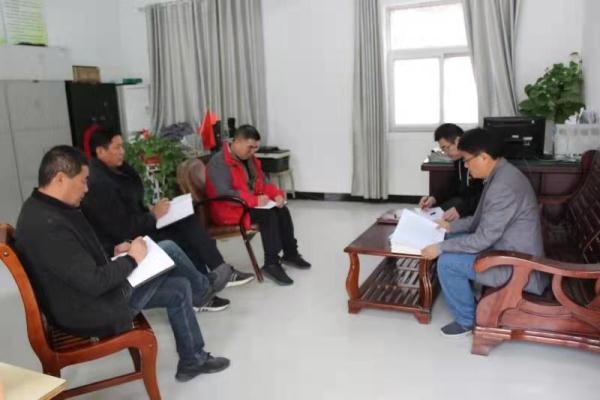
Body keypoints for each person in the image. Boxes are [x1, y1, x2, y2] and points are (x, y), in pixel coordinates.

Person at [15, 145, 229, 382]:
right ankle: (204, 292)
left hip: (85, 300)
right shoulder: (48, 226)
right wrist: (132, 258)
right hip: (90, 312)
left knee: (178, 287)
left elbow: (76, 258)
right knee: (165, 254)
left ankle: (192, 360)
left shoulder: (44, 209)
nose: (86, 189)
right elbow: (95, 282)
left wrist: (113, 251)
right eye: (83, 181)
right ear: (60, 179)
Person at [80, 129, 255, 311]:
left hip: (141, 224)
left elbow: (131, 204)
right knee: (180, 238)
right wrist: (153, 215)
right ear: (100, 151)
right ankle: (203, 290)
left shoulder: (119, 169)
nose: (122, 151)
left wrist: (151, 209)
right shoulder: (98, 184)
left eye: (122, 146)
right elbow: (121, 228)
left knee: (187, 220)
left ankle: (212, 276)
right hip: (128, 240)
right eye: (117, 148)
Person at [421, 128, 548, 336]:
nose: (465, 166)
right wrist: (450, 227)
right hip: (505, 246)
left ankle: (467, 321)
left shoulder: (503, 187)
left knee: (447, 262)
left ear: (484, 157)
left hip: (517, 265)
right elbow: (481, 221)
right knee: (450, 238)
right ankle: (469, 300)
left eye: (467, 160)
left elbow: (482, 239)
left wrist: (441, 248)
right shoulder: (501, 173)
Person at [206, 124, 311, 285]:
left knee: (281, 209)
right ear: (237, 142)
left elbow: (262, 183)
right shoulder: (219, 162)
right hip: (227, 208)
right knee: (267, 215)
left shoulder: (250, 160)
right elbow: (224, 193)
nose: (253, 151)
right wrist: (254, 200)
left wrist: (276, 195)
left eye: (255, 147)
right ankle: (271, 263)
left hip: (246, 204)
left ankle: (290, 253)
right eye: (250, 147)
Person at [419, 123, 483, 222]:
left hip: (476, 210)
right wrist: (433, 198)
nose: (446, 153)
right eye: (443, 149)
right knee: (431, 213)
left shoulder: (478, 161)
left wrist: (460, 210)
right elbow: (452, 186)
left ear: (458, 141)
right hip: (463, 203)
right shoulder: (458, 160)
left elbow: (482, 197)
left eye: (446, 147)